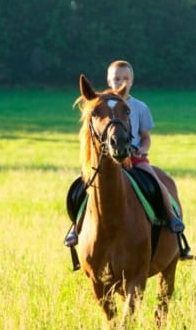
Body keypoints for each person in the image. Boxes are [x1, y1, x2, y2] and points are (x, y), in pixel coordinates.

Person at [64, 60, 184, 247]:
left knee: (157, 182)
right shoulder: (103, 105)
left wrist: (142, 150)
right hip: (106, 159)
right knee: (82, 186)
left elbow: (146, 137)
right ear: (108, 80)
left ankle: (171, 216)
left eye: (125, 78)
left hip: (135, 158)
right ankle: (76, 225)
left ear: (132, 81)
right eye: (116, 78)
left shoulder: (140, 107)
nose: (121, 82)